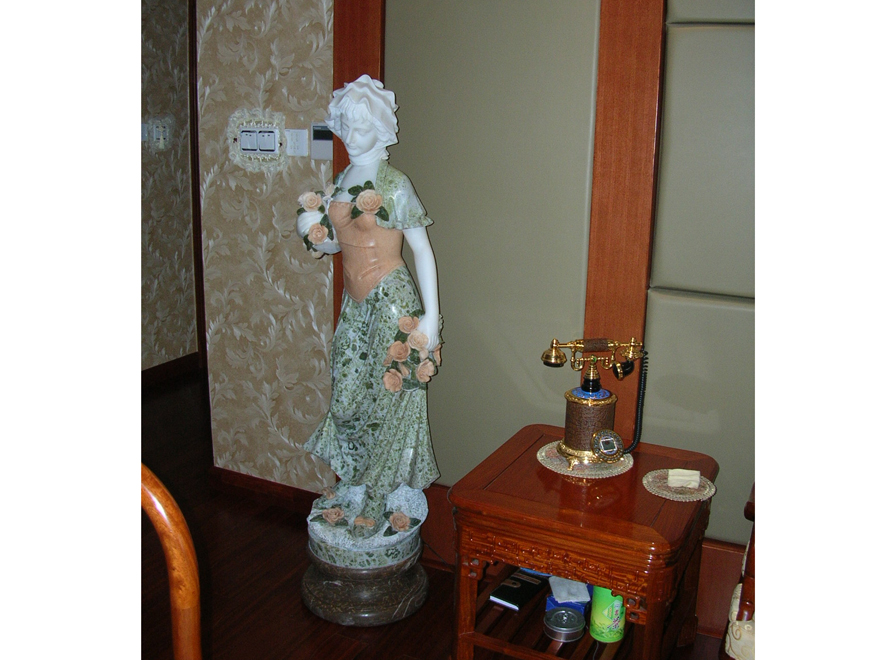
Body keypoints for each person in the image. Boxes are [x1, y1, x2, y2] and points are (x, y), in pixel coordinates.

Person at [296, 75, 441, 538]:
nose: (352, 136)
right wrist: (314, 232)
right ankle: (355, 478)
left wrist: (432, 318)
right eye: (346, 126)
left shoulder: (394, 184)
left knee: (389, 399)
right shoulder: (341, 181)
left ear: (380, 128)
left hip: (393, 302)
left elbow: (422, 250)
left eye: (362, 126)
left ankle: (377, 495)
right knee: (345, 399)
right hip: (355, 304)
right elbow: (338, 244)